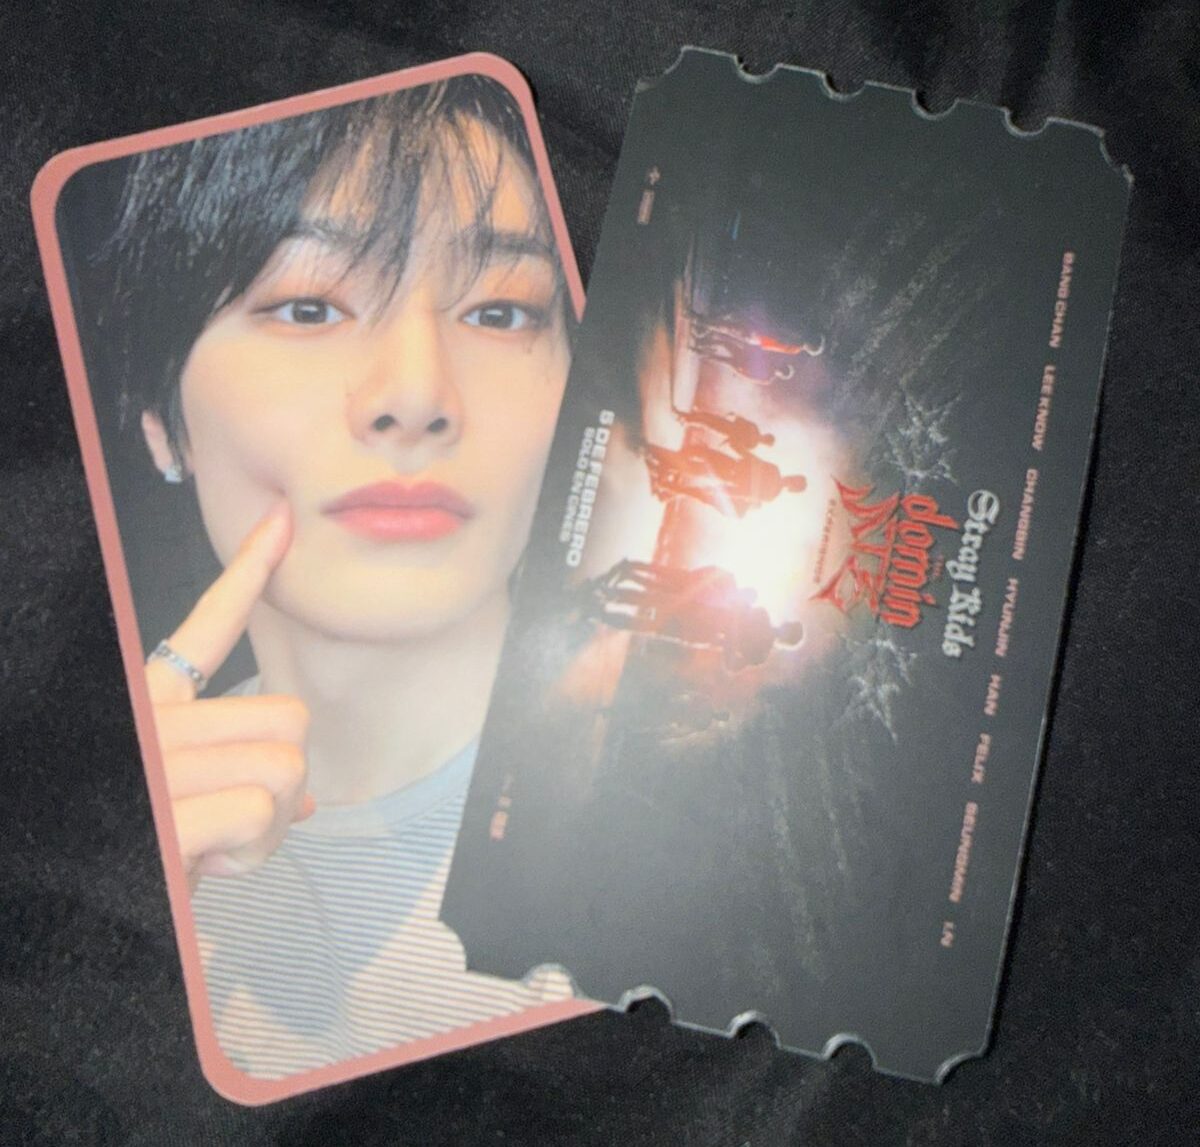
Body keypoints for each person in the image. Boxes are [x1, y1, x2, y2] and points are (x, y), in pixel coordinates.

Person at [64, 75, 577, 1081]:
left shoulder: (740, 815)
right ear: (161, 422)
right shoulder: (92, 868)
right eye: (307, 306)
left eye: (501, 311)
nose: (416, 395)